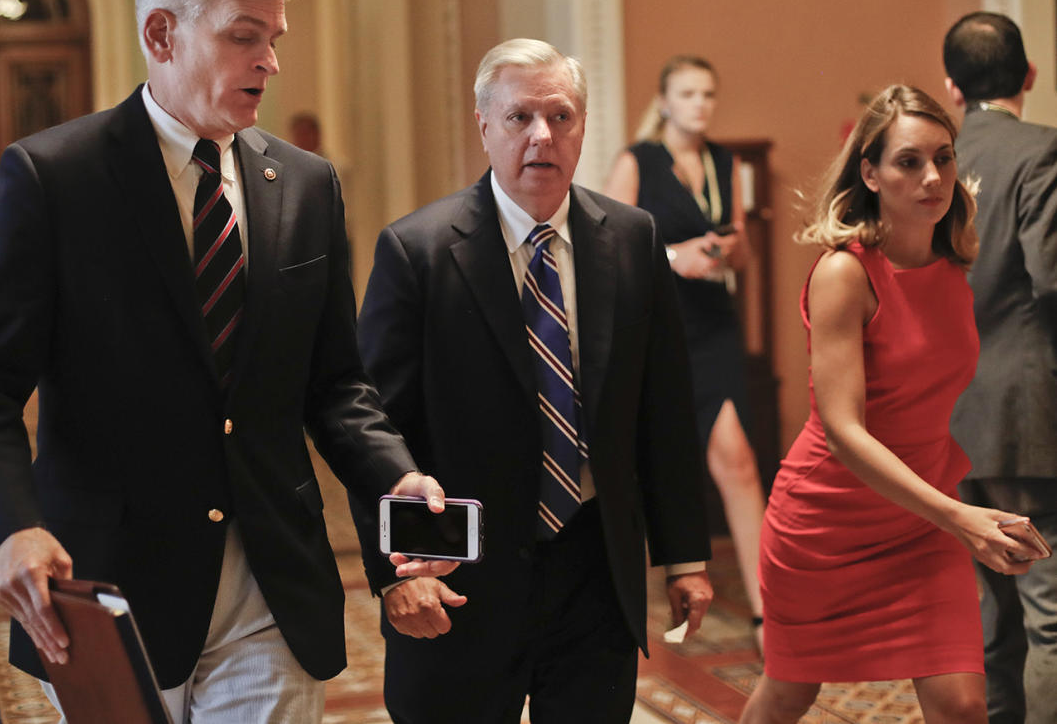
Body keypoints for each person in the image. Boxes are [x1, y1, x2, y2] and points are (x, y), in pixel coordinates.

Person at [0, 0, 451, 724]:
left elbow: (337, 382)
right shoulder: (56, 178)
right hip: (108, 588)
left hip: (272, 587)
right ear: (161, 33)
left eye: (274, 39)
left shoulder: (308, 186)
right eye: (245, 37)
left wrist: (394, 474)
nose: (270, 62)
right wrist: (9, 528)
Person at [350, 38, 713, 723]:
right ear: (484, 126)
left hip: (594, 571)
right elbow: (374, 427)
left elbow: (662, 409)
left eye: (561, 116)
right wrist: (392, 573)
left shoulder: (632, 239)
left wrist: (685, 555)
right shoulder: (418, 251)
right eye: (520, 118)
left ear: (582, 127)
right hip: (459, 573)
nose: (542, 135)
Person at [740, 85, 1041, 724]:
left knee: (962, 703)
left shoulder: (954, 264)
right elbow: (844, 431)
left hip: (922, 522)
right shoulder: (844, 274)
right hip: (826, 523)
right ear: (870, 172)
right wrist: (960, 516)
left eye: (944, 157)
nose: (932, 177)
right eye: (909, 161)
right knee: (790, 694)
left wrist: (960, 509)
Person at [604, 55, 766, 638]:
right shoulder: (638, 159)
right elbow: (610, 245)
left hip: (714, 320)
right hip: (659, 325)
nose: (700, 104)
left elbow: (744, 249)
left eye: (708, 93)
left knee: (739, 461)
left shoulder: (726, 161)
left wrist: (722, 252)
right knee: (659, 457)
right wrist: (676, 257)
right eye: (688, 93)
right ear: (664, 101)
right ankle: (650, 588)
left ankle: (768, 609)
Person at [943, 11, 1057, 724]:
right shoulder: (1043, 151)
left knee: (988, 614)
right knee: (1050, 613)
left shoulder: (932, 155)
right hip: (1029, 409)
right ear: (1031, 77)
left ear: (952, 88)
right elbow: (1053, 278)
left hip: (951, 412)